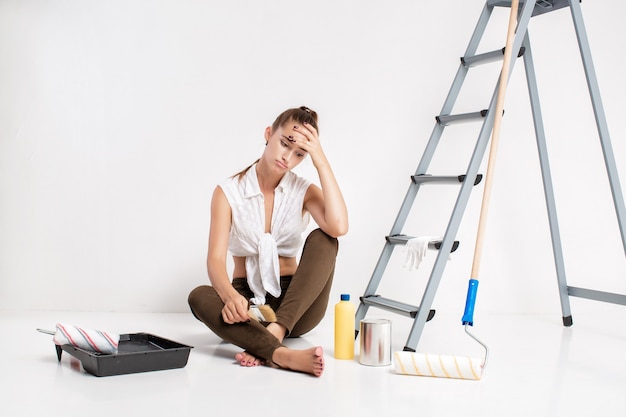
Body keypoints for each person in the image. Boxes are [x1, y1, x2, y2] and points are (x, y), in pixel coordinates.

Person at [188, 106, 348, 377]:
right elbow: (215, 260)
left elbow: (339, 226)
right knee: (199, 296)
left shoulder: (303, 190)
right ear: (268, 133)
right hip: (247, 307)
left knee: (326, 238)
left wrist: (320, 159)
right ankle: (281, 354)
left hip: (296, 307)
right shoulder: (227, 192)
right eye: (285, 144)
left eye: (300, 153)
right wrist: (230, 298)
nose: (288, 157)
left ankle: (273, 335)